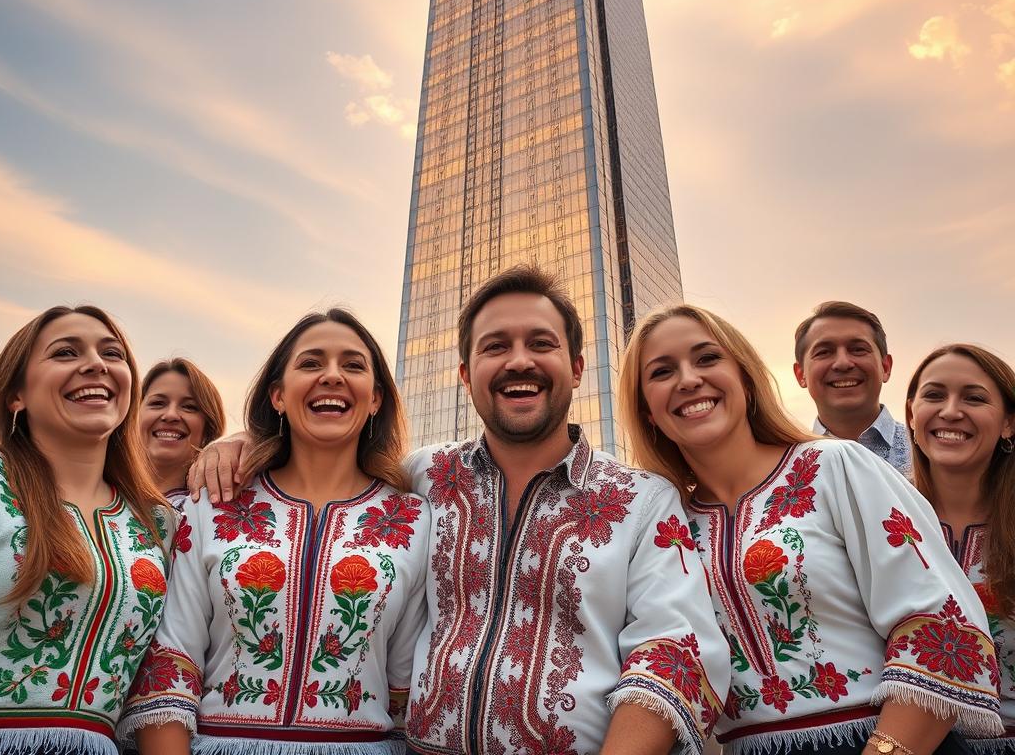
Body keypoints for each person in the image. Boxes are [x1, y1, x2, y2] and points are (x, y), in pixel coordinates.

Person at [191, 267, 730, 755]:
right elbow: (330, 459)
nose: (519, 360)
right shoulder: (422, 479)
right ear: (465, 374)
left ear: (577, 366)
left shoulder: (641, 500)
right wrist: (246, 444)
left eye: (540, 343)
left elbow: (674, 652)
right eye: (495, 346)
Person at [620, 303, 1003, 755]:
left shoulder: (834, 465)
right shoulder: (665, 525)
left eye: (707, 358)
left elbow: (945, 628)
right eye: (662, 371)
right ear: (646, 409)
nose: (688, 379)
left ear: (744, 376)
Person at [122, 309, 430, 755]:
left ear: (376, 398)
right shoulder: (212, 503)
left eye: (353, 365)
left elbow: (404, 688)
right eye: (310, 363)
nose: (332, 375)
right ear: (278, 396)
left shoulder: (415, 519)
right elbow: (170, 667)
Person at [0, 305, 169, 755]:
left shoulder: (159, 522)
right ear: (17, 394)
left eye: (112, 353)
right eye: (65, 353)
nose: (96, 364)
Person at [906, 344, 1015, 751]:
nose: (951, 411)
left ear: (1008, 423)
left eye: (974, 397)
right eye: (934, 395)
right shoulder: (875, 516)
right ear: (913, 413)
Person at [793, 300, 911, 474]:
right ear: (800, 374)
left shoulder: (927, 452)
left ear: (886, 367)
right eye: (824, 352)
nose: (842, 363)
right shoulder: (785, 466)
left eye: (858, 349)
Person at [140, 357, 227, 507]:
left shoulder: (219, 508)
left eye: (189, 407)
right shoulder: (98, 496)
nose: (171, 415)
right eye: (157, 403)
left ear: (209, 428)